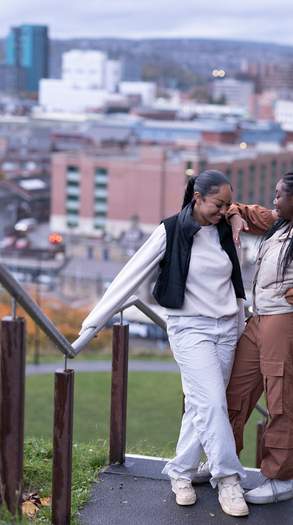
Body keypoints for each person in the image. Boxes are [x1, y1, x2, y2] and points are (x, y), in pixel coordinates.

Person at [77, 170, 249, 517]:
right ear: (197, 198)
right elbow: (131, 274)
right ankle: (228, 479)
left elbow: (234, 277)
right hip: (190, 329)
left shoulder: (224, 228)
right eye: (219, 204)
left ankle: (181, 473)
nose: (224, 210)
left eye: (228, 204)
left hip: (227, 328)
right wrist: (91, 325)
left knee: (203, 405)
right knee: (214, 402)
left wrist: (236, 214)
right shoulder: (170, 230)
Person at [225, 169, 293, 505]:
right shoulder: (282, 220)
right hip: (261, 321)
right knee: (234, 389)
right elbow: (245, 211)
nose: (274, 200)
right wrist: (234, 216)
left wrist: (290, 299)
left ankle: (279, 479)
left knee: (280, 401)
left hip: (284, 324)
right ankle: (223, 462)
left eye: (279, 195)